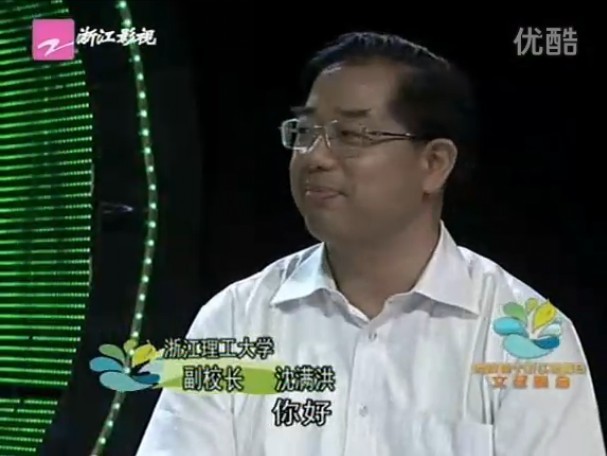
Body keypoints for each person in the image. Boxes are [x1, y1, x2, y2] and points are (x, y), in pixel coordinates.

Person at [136, 31, 604, 455]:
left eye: (351, 134)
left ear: (434, 164)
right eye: (305, 131)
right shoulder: (233, 320)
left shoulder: (526, 338)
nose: (314, 157)